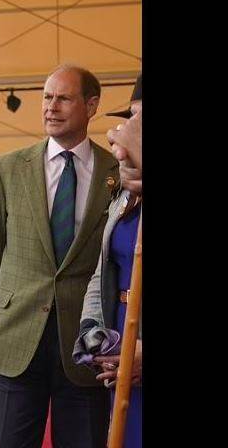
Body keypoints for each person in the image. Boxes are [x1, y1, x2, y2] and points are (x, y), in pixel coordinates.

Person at [0, 64, 119, 448]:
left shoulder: (117, 172)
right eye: (47, 97)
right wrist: (13, 299)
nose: (51, 107)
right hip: (15, 339)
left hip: (86, 347)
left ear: (91, 106)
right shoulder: (7, 168)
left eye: (64, 98)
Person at [77, 72, 143, 447]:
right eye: (132, 117)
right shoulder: (123, 196)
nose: (129, 132)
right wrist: (95, 336)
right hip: (120, 343)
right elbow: (103, 271)